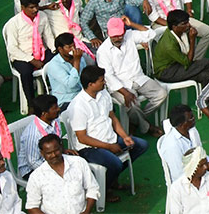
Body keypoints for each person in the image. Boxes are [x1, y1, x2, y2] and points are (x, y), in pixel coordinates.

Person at [66, 64, 148, 196]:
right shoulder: (78, 106)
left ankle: (111, 180)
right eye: (101, 80)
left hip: (111, 139)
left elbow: (113, 117)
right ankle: (103, 188)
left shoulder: (103, 93)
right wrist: (109, 147)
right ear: (91, 84)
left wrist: (125, 136)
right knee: (116, 164)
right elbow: (82, 138)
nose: (104, 82)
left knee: (141, 145)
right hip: (90, 148)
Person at [25, 134, 101, 214]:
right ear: (42, 154)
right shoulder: (37, 176)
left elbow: (93, 188)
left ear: (61, 148)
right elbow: (32, 206)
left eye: (56, 150)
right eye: (49, 153)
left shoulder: (79, 163)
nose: (54, 155)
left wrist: (86, 212)